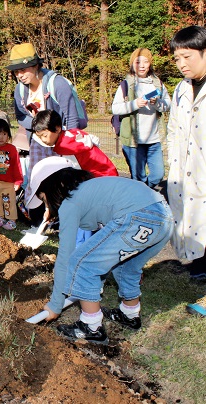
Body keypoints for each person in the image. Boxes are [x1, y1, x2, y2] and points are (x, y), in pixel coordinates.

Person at [26, 157, 173, 344]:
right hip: (163, 217)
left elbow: (66, 257)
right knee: (125, 266)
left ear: (56, 186)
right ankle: (129, 314)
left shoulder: (70, 203)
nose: (48, 207)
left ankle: (91, 326)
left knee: (82, 263)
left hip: (138, 217)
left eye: (45, 200)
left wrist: (55, 304)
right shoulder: (91, 189)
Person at [6, 42, 82, 225]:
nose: (19, 75)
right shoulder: (20, 90)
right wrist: (35, 121)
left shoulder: (58, 84)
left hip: (61, 138)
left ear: (35, 65)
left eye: (23, 70)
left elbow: (71, 119)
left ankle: (66, 219)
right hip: (38, 140)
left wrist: (68, 145)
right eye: (16, 71)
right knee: (37, 178)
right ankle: (39, 219)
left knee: (63, 179)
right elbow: (20, 117)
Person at [167, 26, 206, 313]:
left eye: (187, 56)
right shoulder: (181, 89)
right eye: (177, 58)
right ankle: (199, 266)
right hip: (184, 169)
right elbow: (172, 130)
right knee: (192, 222)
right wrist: (173, 163)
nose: (181, 64)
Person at [111, 48, 171, 187]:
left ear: (150, 64)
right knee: (138, 177)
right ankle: (141, 198)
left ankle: (144, 191)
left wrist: (157, 103)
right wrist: (135, 104)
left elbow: (168, 105)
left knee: (158, 175)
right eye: (138, 62)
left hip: (154, 140)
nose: (142, 65)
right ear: (132, 64)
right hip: (134, 141)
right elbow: (115, 108)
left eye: (145, 62)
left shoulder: (158, 84)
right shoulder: (126, 84)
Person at [32, 110, 118, 178]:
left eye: (44, 135)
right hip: (109, 173)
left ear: (57, 128)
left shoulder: (68, 149)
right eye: (39, 137)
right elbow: (94, 140)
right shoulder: (72, 135)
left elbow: (74, 174)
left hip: (100, 179)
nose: (43, 140)